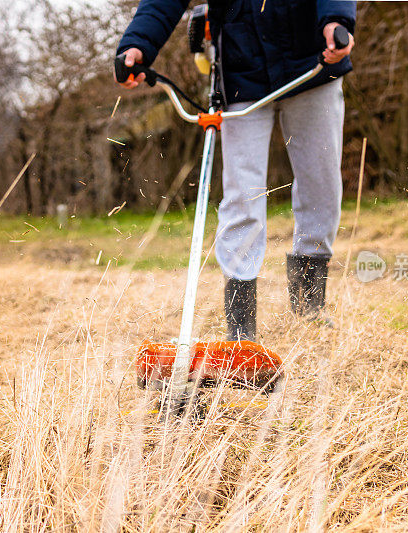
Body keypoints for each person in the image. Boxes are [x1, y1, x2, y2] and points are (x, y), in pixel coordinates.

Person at [116, 0, 356, 341]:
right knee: (243, 196)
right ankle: (241, 330)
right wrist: (138, 44)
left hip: (312, 63)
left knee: (321, 185)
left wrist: (335, 20)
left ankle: (309, 308)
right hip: (241, 72)